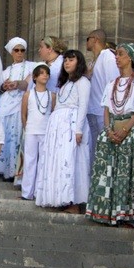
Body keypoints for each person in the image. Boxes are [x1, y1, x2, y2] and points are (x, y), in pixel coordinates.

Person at [85, 43, 134, 225]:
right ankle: (103, 212)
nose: (117, 57)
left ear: (130, 58)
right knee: (105, 171)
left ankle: (124, 214)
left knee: (125, 173)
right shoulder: (111, 83)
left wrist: (126, 129)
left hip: (129, 130)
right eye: (117, 54)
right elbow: (106, 109)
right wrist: (109, 130)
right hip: (112, 129)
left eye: (120, 54)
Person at [35, 49, 91, 214]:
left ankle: (75, 202)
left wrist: (78, 130)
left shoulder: (83, 82)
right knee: (60, 162)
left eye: (71, 60)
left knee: (73, 161)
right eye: (65, 60)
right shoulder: (65, 84)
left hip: (72, 126)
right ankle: (60, 198)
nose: (67, 62)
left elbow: (83, 106)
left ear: (78, 62)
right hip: (59, 128)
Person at [0, 37, 35, 181]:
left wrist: (19, 83)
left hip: (21, 106)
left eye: (22, 50)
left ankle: (16, 172)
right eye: (16, 50)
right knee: (6, 136)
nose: (19, 53)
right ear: (11, 52)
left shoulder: (31, 66)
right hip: (6, 106)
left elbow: (30, 82)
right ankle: (5, 171)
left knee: (18, 136)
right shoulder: (6, 71)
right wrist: (4, 86)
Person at [19, 65, 55, 201]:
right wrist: (26, 128)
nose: (44, 76)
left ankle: (40, 192)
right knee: (30, 161)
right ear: (35, 77)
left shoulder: (52, 95)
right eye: (41, 73)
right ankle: (27, 192)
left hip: (46, 132)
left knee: (43, 162)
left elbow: (52, 113)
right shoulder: (28, 94)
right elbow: (23, 114)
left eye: (47, 73)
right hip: (31, 131)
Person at [85, 29, 118, 167]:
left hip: (102, 111)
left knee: (104, 149)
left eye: (88, 38)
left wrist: (109, 111)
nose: (86, 42)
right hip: (92, 110)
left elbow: (113, 82)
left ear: (95, 39)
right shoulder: (95, 59)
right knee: (93, 149)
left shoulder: (108, 56)